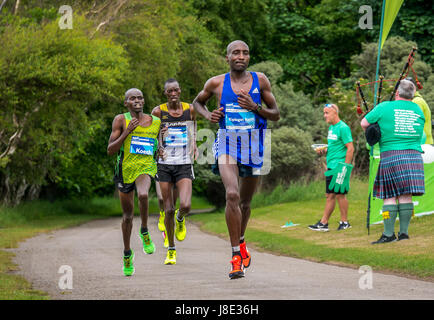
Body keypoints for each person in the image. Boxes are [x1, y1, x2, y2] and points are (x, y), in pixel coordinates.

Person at [192, 40, 280, 279]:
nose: (241, 56)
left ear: (248, 57)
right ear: (227, 58)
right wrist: (209, 114)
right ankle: (235, 257)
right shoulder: (216, 83)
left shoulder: (260, 80)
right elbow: (197, 103)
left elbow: (275, 115)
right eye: (236, 53)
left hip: (253, 144)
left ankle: (241, 241)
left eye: (245, 53)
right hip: (227, 142)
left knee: (245, 204)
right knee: (232, 194)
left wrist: (255, 107)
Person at [361, 80, 425, 244]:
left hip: (392, 154)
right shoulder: (418, 110)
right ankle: (403, 233)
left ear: (397, 92)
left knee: (389, 195)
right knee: (406, 195)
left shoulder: (384, 107)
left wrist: (376, 129)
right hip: (414, 155)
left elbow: (364, 124)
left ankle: (388, 234)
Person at [107, 88, 161, 276]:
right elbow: (110, 150)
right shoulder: (120, 120)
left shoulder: (156, 122)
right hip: (124, 170)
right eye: (132, 98)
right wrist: (127, 132)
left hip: (145, 168)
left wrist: (160, 149)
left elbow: (156, 145)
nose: (137, 100)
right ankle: (127, 254)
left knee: (144, 194)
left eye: (139, 97)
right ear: (126, 103)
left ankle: (145, 230)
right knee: (128, 216)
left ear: (144, 101)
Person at [152, 78, 197, 265]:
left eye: (175, 90)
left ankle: (181, 219)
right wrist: (158, 141)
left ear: (179, 91)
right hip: (164, 163)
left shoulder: (189, 109)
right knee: (168, 208)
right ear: (165, 93)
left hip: (184, 162)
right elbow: (150, 133)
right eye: (169, 91)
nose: (173, 94)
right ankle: (171, 250)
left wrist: (194, 143)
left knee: (185, 206)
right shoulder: (158, 111)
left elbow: (193, 126)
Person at [308, 104, 354, 232]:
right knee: (330, 195)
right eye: (324, 113)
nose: (325, 116)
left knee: (340, 195)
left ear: (335, 112)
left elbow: (350, 148)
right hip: (331, 166)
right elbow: (335, 147)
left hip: (340, 166)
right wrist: (324, 150)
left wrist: (345, 167)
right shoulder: (331, 128)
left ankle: (343, 222)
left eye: (327, 113)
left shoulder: (343, 128)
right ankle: (324, 223)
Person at [406, 77, 433, 144]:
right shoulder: (414, 100)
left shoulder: (417, 101)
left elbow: (414, 124)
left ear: (414, 88)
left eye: (409, 88)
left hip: (423, 144)